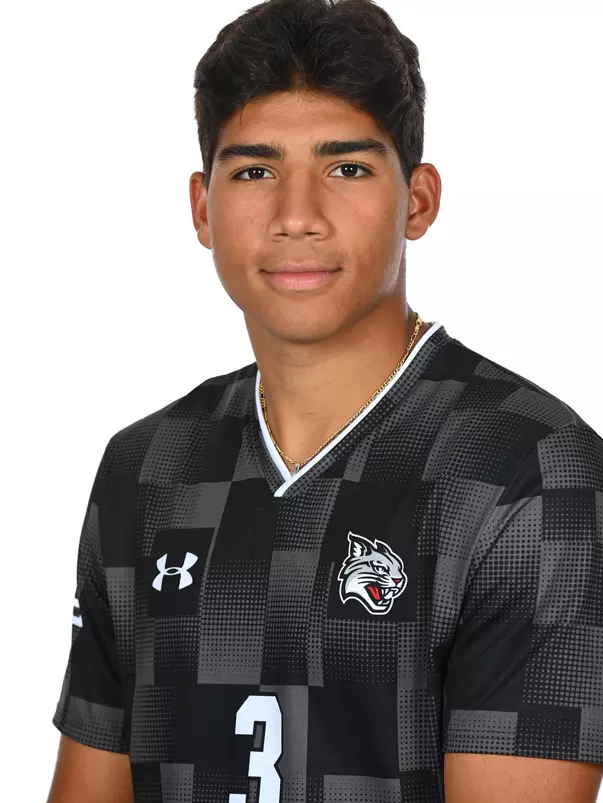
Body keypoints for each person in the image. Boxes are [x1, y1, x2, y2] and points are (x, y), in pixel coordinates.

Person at [46, 1, 603, 801]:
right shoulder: (146, 465)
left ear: (417, 198)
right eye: (254, 171)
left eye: (345, 168)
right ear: (203, 207)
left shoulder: (530, 471)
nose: (296, 215)